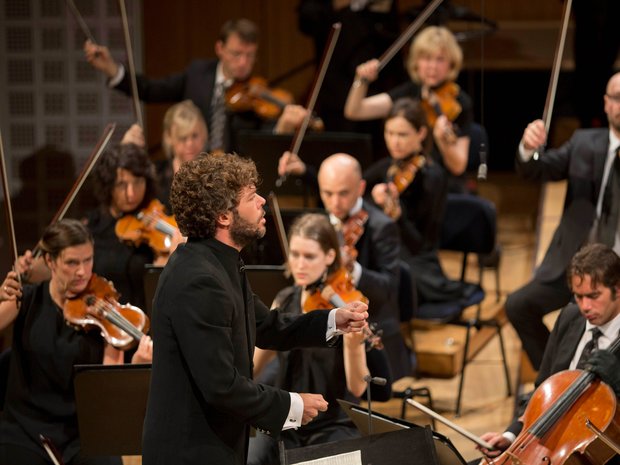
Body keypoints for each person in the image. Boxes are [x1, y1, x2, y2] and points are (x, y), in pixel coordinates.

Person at [141, 153, 369, 465]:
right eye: (251, 196)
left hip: (216, 443)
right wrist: (293, 405)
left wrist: (332, 320)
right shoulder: (198, 280)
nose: (262, 201)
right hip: (192, 451)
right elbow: (221, 386)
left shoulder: (219, 263)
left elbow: (267, 326)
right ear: (224, 216)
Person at [0, 219, 152, 465]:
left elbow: (107, 389)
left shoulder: (104, 310)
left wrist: (137, 362)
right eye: (72, 262)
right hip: (25, 430)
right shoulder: (25, 299)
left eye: (88, 260)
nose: (83, 272)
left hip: (80, 432)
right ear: (50, 261)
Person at [248, 212, 392, 465]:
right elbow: (254, 367)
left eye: (309, 256)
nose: (300, 265)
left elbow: (358, 388)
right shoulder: (283, 299)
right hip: (287, 418)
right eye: (294, 255)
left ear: (329, 257)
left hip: (331, 423)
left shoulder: (345, 307)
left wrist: (354, 343)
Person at [505, 71, 620, 371]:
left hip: (617, 276)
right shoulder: (583, 143)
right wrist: (529, 149)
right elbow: (536, 170)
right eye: (617, 98)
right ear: (606, 103)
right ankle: (557, 381)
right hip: (576, 265)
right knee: (519, 306)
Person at [477, 243, 620, 465]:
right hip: (542, 448)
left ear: (617, 289)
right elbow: (541, 392)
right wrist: (511, 437)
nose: (585, 307)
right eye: (578, 296)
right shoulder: (570, 318)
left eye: (593, 296)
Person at [84, 18, 309, 153]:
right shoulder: (197, 74)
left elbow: (264, 140)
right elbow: (151, 89)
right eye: (236, 54)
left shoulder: (259, 92)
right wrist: (112, 69)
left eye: (250, 56)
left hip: (233, 179)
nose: (243, 63)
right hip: (191, 166)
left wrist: (284, 126)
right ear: (220, 49)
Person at [19, 140, 183, 311]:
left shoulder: (159, 214)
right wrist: (26, 270)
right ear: (109, 185)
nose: (131, 193)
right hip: (102, 321)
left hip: (149, 316)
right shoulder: (92, 226)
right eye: (121, 184)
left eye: (138, 182)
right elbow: (57, 269)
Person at [364, 97, 479, 310]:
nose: (394, 142)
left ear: (421, 133)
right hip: (390, 254)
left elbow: (421, 245)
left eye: (402, 134)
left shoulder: (432, 178)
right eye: (389, 133)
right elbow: (353, 190)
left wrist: (399, 218)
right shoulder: (387, 167)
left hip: (417, 262)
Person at [317, 153, 412, 379]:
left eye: (343, 193)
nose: (334, 203)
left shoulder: (382, 226)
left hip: (371, 321)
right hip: (327, 317)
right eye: (327, 194)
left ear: (360, 188)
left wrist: (354, 269)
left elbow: (388, 289)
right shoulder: (319, 224)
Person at [344, 25, 473, 190]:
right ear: (416, 62)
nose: (432, 67)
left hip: (445, 187)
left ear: (451, 64)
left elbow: (458, 166)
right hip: (407, 181)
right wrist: (361, 81)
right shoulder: (409, 92)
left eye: (440, 59)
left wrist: (443, 141)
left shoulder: (460, 102)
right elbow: (354, 111)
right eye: (426, 58)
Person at [158, 100, 209, 208]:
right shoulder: (157, 177)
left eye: (194, 135)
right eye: (182, 137)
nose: (190, 143)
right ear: (169, 138)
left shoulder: (216, 175)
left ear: (204, 133)